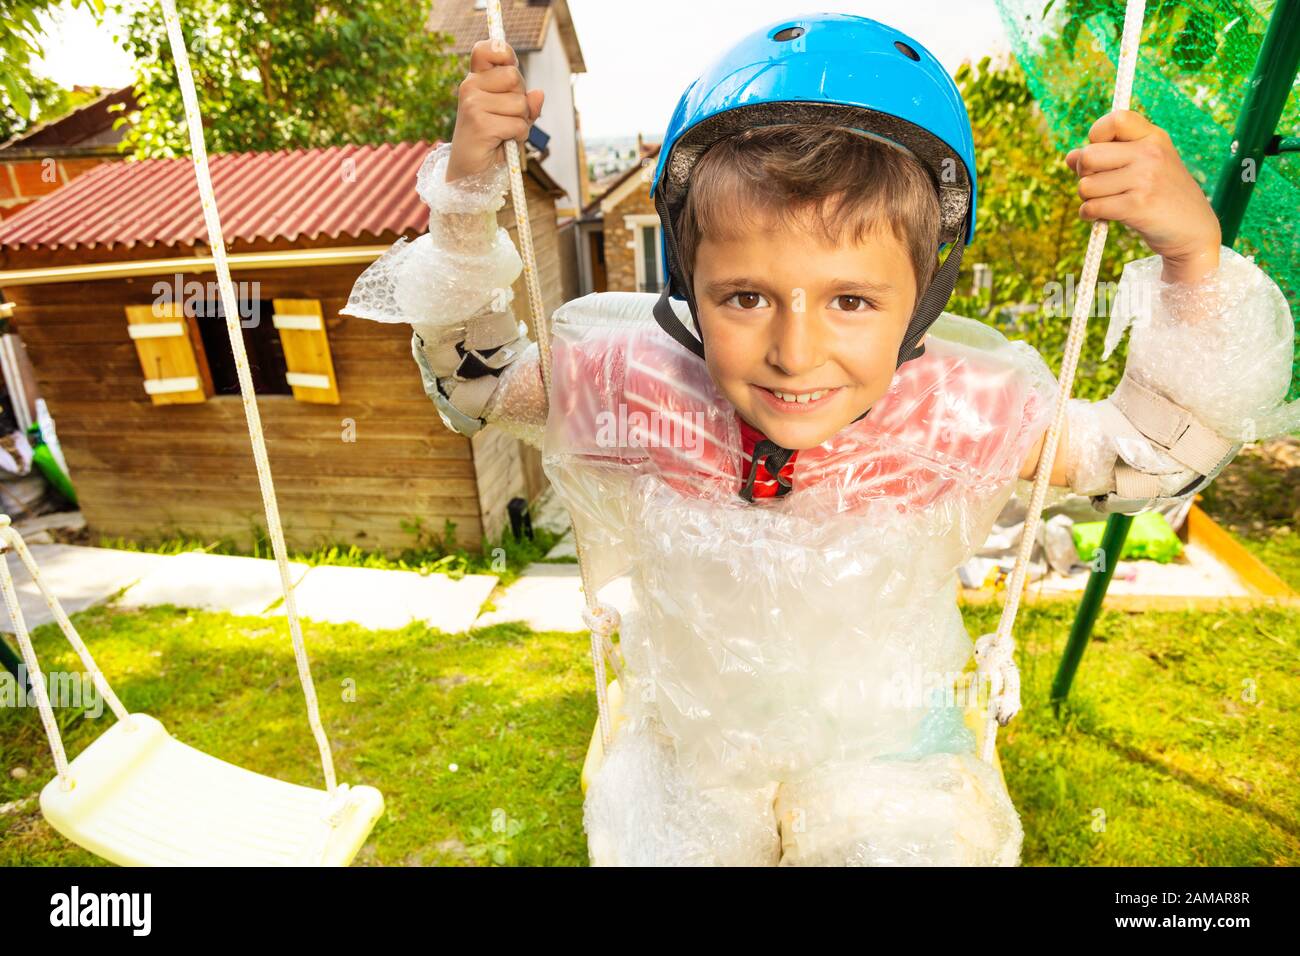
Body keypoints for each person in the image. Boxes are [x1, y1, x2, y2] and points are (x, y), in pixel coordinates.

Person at [343, 14, 1298, 866]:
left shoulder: (958, 411)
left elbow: (1148, 457)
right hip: (691, 760)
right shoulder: (634, 386)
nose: (795, 354)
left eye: (850, 300)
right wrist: (467, 198)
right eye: (746, 296)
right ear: (688, 287)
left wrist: (1193, 256)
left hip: (889, 759)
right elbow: (473, 381)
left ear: (923, 295)